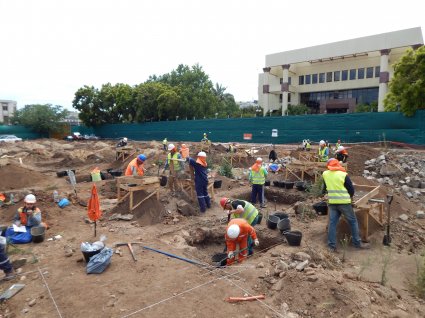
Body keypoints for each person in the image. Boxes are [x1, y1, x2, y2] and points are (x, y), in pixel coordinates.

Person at [322, 159, 368, 251]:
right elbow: (351, 190)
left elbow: (324, 189)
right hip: (344, 203)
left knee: (332, 224)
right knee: (353, 221)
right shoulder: (343, 175)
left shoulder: (325, 174)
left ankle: (331, 246)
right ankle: (357, 243)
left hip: (332, 203)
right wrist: (349, 197)